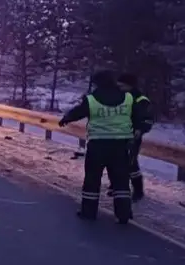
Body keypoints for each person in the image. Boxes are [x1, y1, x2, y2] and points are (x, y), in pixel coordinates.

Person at [58, 70, 148, 224]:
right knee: (121, 180)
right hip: (120, 145)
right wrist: (138, 130)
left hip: (98, 145)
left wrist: (66, 118)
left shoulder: (92, 99)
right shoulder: (127, 98)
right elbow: (138, 116)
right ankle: (124, 214)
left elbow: (79, 112)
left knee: (92, 179)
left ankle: (88, 212)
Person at [104, 73, 153, 201]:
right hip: (115, 134)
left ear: (129, 85)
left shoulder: (141, 100)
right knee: (113, 162)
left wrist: (140, 130)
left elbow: (147, 119)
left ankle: (138, 190)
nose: (119, 87)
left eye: (121, 85)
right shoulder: (118, 96)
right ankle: (116, 186)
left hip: (131, 136)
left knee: (130, 164)